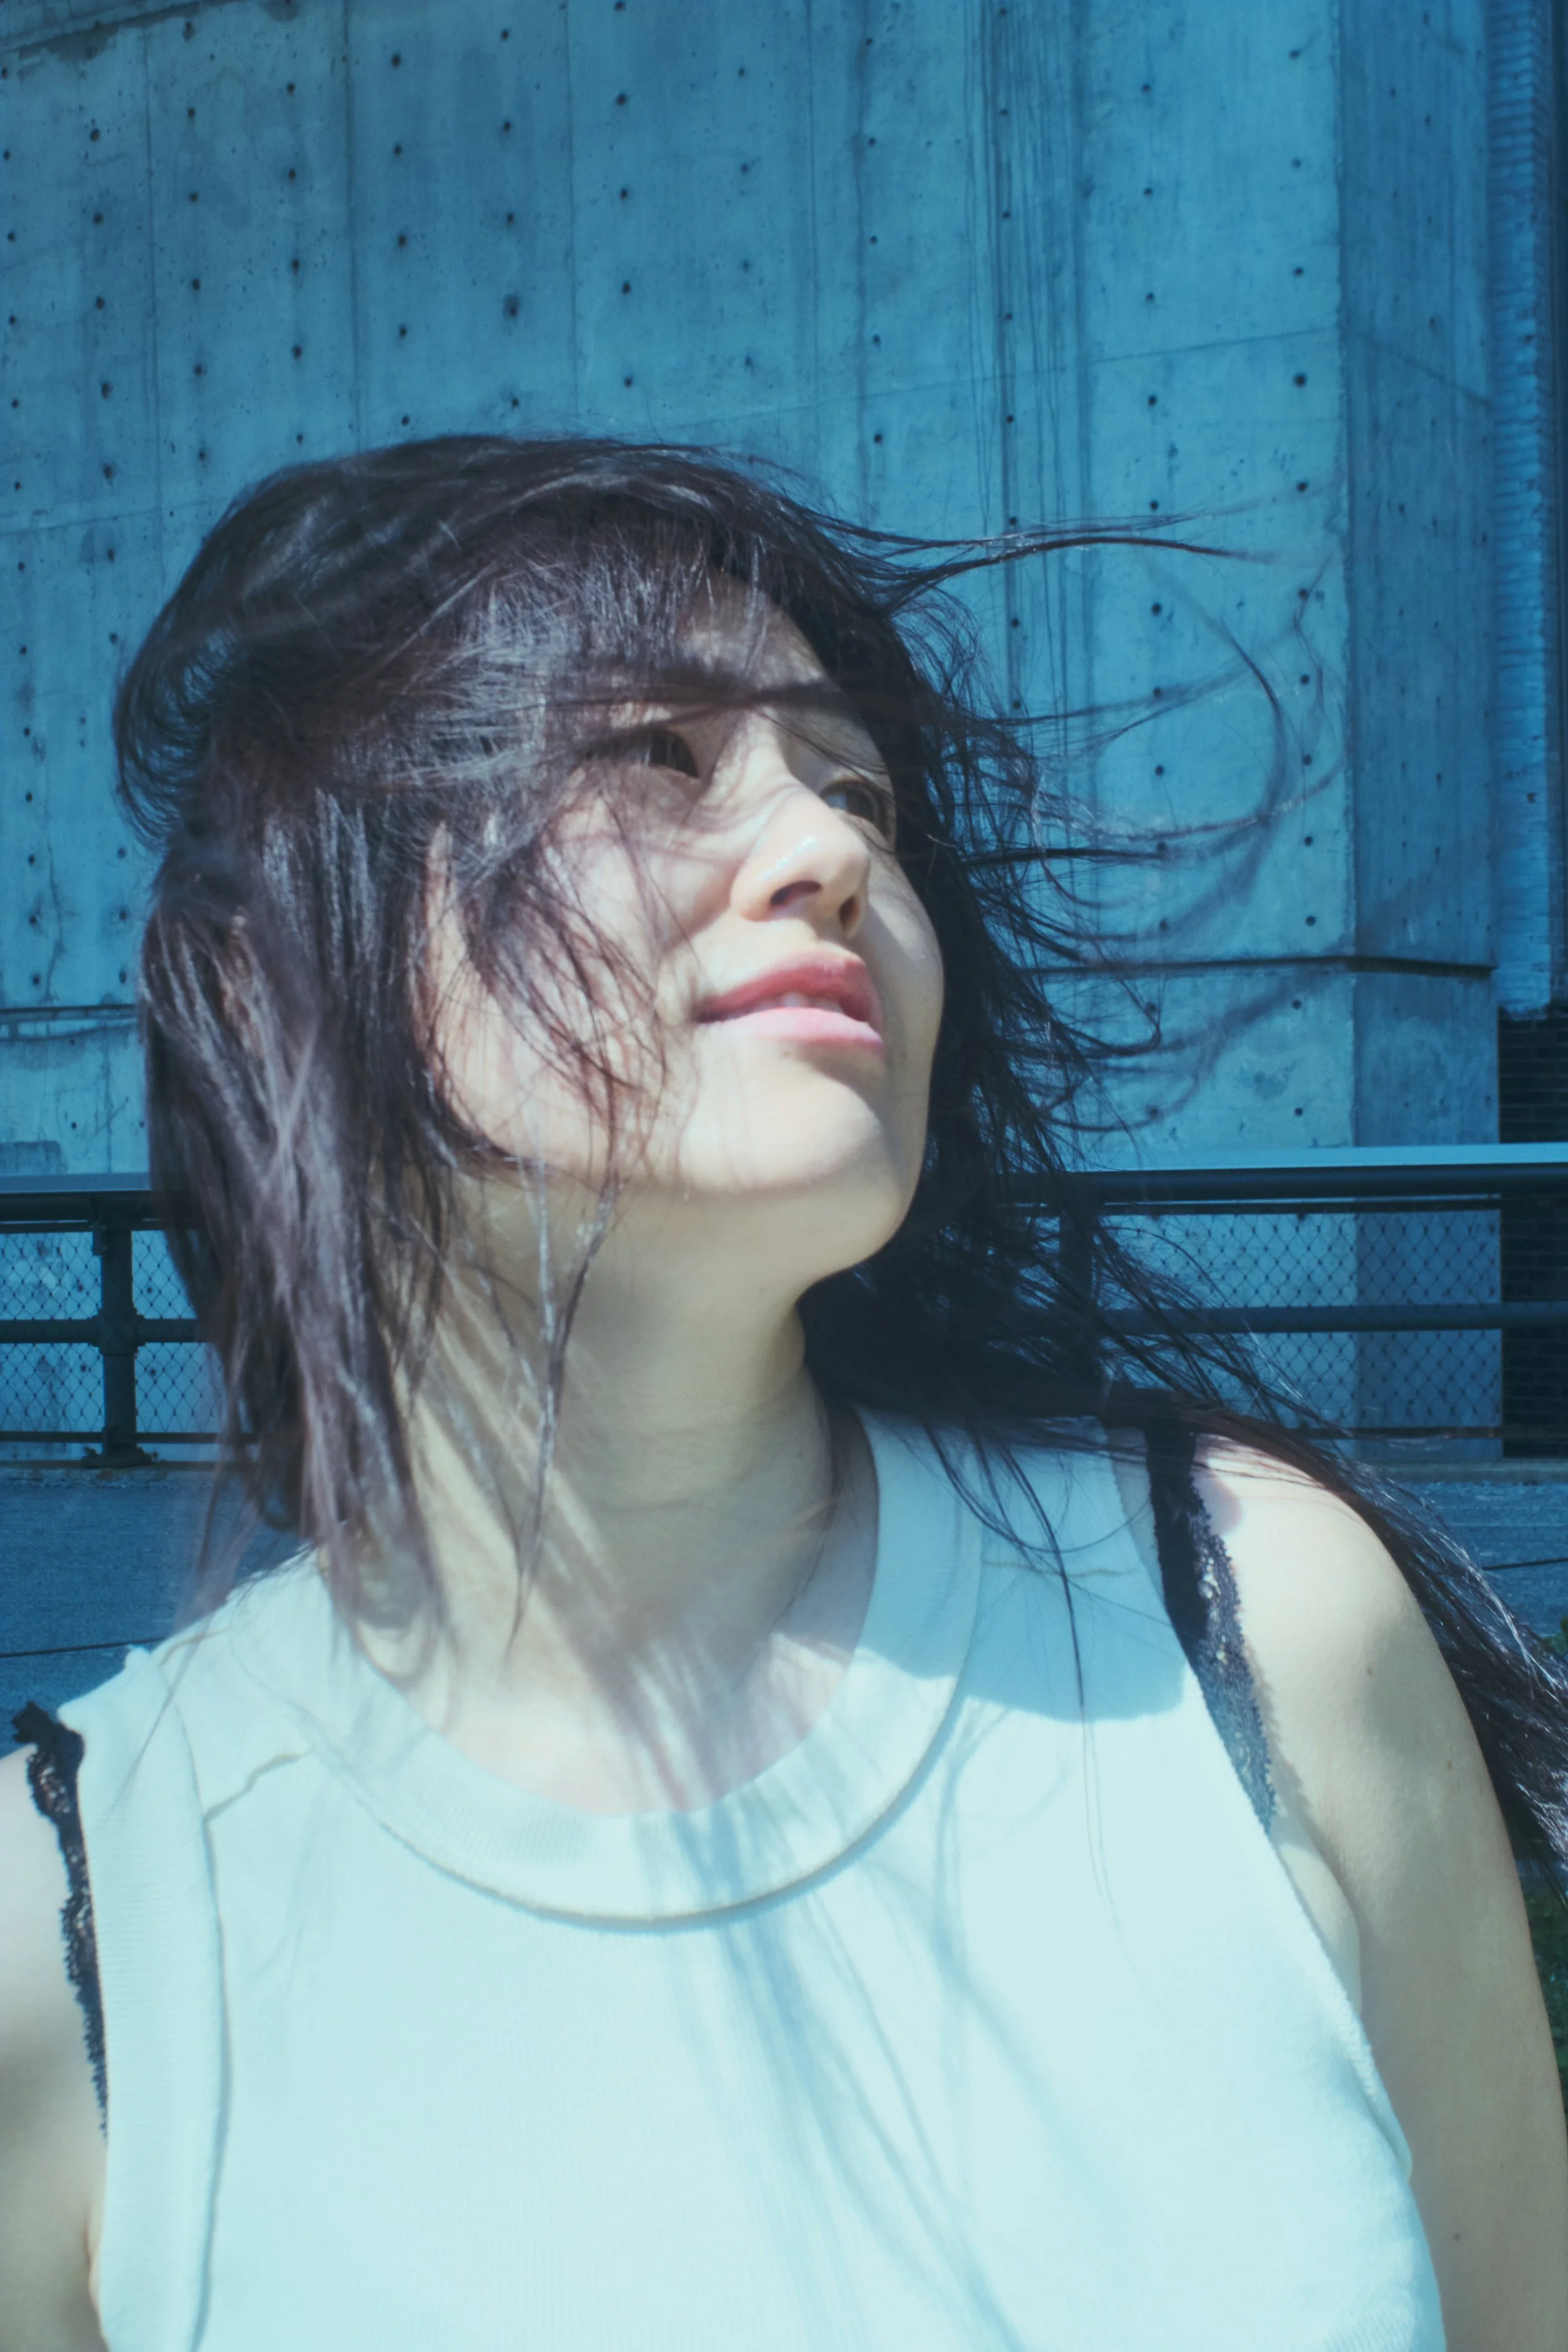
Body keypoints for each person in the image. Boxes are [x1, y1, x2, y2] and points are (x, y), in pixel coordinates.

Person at [1, 439, 1565, 2352]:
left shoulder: (1253, 1615)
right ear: (273, 983)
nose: (832, 853)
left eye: (859, 791)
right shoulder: (73, 1934)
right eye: (655, 755)